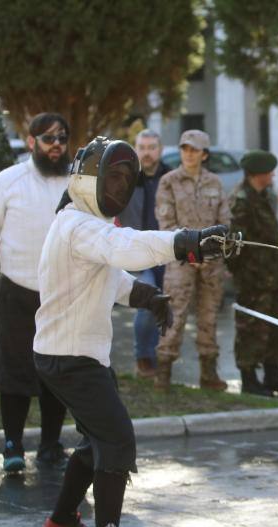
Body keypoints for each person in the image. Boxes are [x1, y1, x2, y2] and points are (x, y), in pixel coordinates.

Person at [34, 136, 228, 527]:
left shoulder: (85, 225)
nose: (120, 187)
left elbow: (111, 275)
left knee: (98, 442)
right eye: (113, 177)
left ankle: (60, 523)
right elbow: (128, 246)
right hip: (70, 359)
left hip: (77, 356)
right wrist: (185, 242)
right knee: (118, 442)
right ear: (90, 179)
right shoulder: (77, 225)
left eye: (126, 180)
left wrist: (148, 296)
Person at [0, 112, 70, 473]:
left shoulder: (77, 185)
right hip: (16, 292)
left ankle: (51, 443)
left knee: (57, 371)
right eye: (48, 139)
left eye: (62, 139)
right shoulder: (6, 182)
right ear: (31, 142)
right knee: (13, 374)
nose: (56, 146)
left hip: (63, 295)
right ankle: (12, 445)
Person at [154, 129, 232, 392]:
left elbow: (224, 222)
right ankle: (163, 373)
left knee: (208, 317)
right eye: (185, 149)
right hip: (180, 261)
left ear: (204, 154)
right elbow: (167, 224)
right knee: (173, 316)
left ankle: (208, 374)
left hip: (210, 263)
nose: (188, 154)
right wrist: (190, 254)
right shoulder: (168, 182)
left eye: (194, 150)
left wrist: (209, 253)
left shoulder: (215, 183)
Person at [227, 149, 278, 397]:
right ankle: (249, 380)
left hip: (273, 277)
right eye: (269, 171)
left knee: (276, 329)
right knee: (251, 330)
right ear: (257, 174)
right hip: (252, 280)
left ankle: (273, 376)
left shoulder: (266, 195)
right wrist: (242, 276)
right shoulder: (241, 200)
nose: (273, 175)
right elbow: (233, 246)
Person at [117, 129, 171, 379]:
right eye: (142, 147)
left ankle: (161, 353)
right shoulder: (125, 179)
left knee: (165, 302)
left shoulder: (170, 177)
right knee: (147, 301)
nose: (147, 152)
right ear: (135, 149)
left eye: (152, 147)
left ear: (160, 150)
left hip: (168, 251)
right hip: (137, 252)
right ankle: (144, 357)